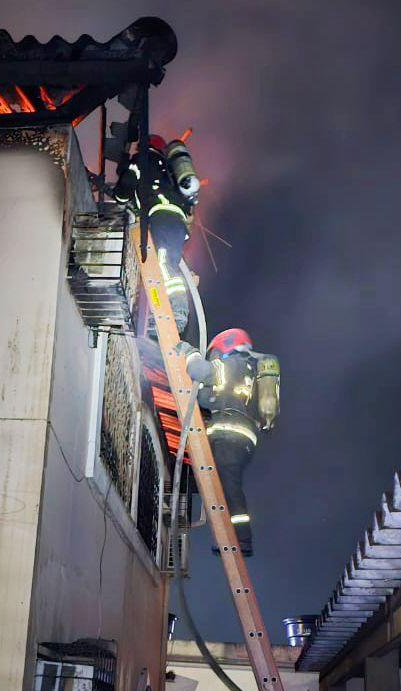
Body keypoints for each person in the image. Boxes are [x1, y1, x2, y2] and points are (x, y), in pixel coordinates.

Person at [177, 328, 280, 556]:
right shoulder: (247, 372)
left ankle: (241, 539)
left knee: (229, 485)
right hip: (239, 437)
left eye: (215, 354)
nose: (214, 358)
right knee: (218, 483)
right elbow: (206, 398)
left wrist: (189, 352)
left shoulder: (231, 364)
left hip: (229, 435)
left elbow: (198, 370)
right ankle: (230, 537)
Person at [112, 133, 200, 336]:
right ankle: (161, 310)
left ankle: (177, 313)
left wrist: (119, 198)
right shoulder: (167, 170)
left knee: (163, 263)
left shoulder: (142, 160)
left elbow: (126, 186)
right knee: (167, 261)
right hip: (175, 222)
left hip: (161, 217)